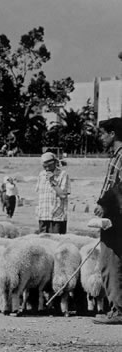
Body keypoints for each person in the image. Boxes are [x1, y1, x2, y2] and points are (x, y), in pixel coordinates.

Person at [93, 117, 122, 324]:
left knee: (110, 262)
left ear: (113, 134)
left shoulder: (120, 157)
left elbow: (119, 187)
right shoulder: (116, 156)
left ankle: (117, 309)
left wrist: (104, 204)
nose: (101, 138)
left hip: (115, 218)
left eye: (103, 133)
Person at [35, 152, 71, 234]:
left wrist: (52, 181)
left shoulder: (63, 174)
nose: (47, 168)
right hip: (43, 215)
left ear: (55, 163)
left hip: (57, 217)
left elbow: (62, 195)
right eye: (45, 166)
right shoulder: (41, 175)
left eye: (49, 166)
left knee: (56, 243)